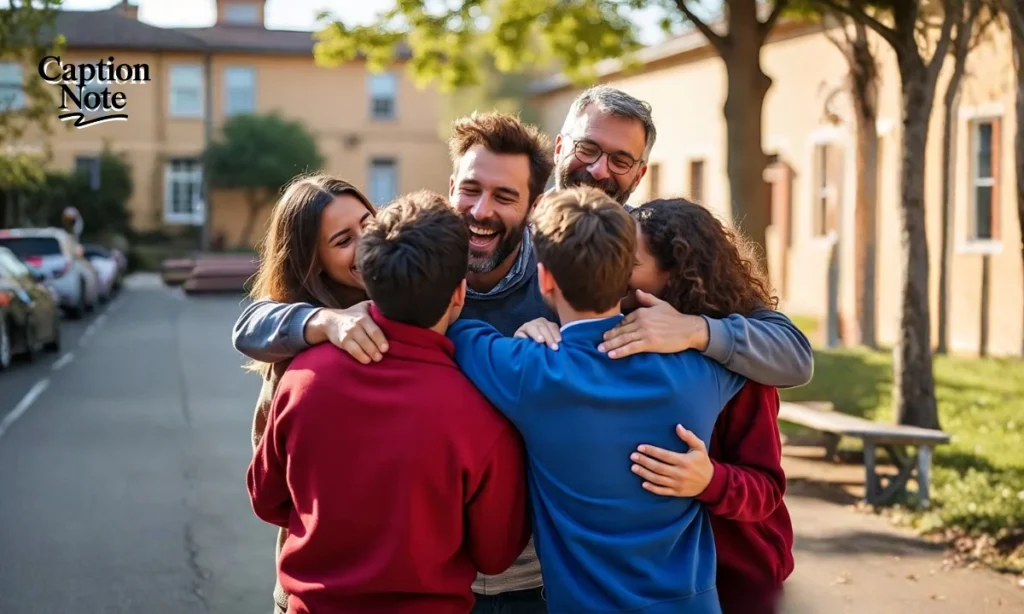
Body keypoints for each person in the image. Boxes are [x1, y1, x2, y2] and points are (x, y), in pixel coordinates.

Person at [231, 109, 811, 614]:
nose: (481, 209)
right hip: (434, 580)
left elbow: (786, 355)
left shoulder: (588, 280)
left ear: (536, 210)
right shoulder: (406, 271)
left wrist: (698, 331)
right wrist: (322, 321)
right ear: (446, 188)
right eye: (469, 190)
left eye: (504, 197)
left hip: (533, 582)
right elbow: (252, 330)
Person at [448, 186, 744, 613]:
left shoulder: (530, 372)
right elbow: (771, 348)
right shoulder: (701, 370)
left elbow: (459, 329)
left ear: (544, 278)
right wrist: (699, 329)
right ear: (628, 274)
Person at [247, 190, 530, 614]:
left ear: (370, 275)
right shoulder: (481, 412)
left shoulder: (300, 378)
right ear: (459, 294)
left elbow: (267, 499)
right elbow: (496, 553)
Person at [519, 198, 796, 613]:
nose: (614, 270)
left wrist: (711, 480)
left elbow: (767, 489)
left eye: (629, 263)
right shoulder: (616, 336)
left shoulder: (733, 365)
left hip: (738, 576)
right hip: (657, 583)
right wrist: (536, 331)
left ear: (676, 272)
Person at [243, 174, 378, 614]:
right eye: (343, 240)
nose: (367, 243)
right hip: (314, 591)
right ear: (312, 261)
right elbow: (270, 492)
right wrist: (323, 322)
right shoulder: (295, 355)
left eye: (369, 224)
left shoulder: (423, 305)